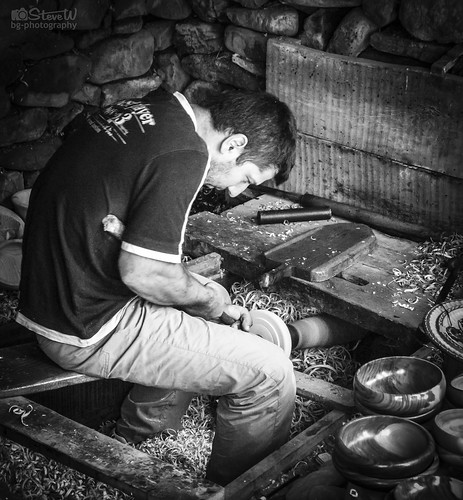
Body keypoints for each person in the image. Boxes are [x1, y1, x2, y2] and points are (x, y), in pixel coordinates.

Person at [16, 87, 297, 485]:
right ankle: (232, 491)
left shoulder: (150, 109)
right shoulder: (185, 153)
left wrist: (196, 292)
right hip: (87, 325)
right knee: (270, 374)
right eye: (246, 177)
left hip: (56, 292)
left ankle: (142, 431)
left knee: (193, 288)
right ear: (233, 144)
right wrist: (210, 303)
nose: (235, 192)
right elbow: (144, 274)